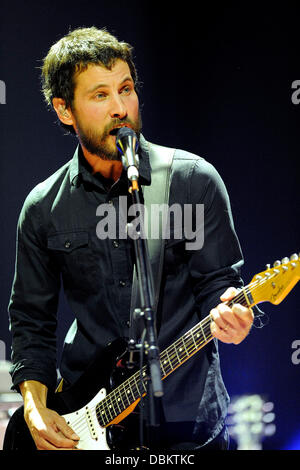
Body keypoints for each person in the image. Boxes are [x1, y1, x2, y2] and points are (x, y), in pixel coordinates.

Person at [7, 27, 255, 451]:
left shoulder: (193, 180)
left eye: (126, 89)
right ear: (65, 110)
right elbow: (32, 322)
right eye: (100, 95)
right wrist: (34, 405)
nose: (121, 108)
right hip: (86, 416)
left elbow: (220, 287)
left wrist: (234, 317)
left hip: (188, 423)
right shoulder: (44, 207)